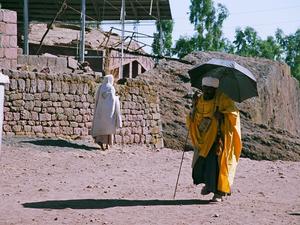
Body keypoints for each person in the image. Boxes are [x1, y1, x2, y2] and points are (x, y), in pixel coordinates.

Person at [186, 76, 242, 202]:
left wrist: (222, 115)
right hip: (204, 139)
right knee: (203, 164)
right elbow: (195, 116)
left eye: (210, 90)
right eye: (205, 89)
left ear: (215, 89)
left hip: (218, 139)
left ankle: (219, 193)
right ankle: (209, 186)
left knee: (218, 165)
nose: (207, 92)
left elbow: (234, 114)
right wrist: (193, 107)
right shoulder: (200, 99)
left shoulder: (223, 99)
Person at [91, 74, 122, 150]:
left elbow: (97, 99)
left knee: (101, 127)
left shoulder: (100, 87)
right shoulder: (111, 88)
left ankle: (101, 143)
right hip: (109, 114)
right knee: (108, 128)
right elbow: (112, 100)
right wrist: (117, 98)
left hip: (100, 113)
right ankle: (107, 145)